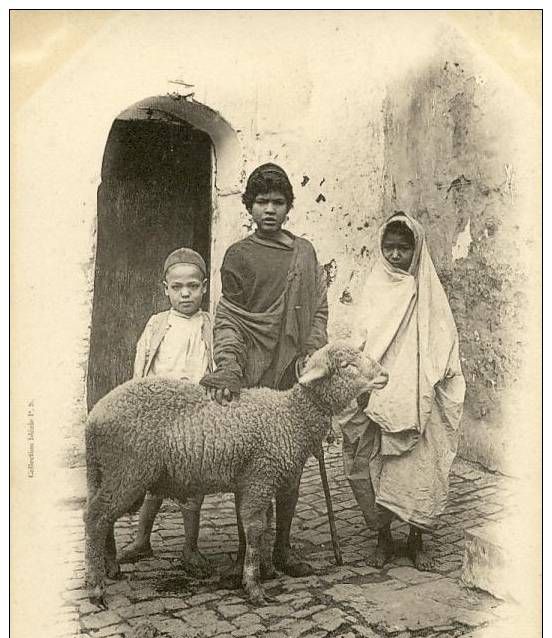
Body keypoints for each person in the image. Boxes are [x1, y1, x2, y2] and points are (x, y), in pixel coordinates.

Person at [200, 162, 328, 576]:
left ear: (289, 206)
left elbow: (319, 309)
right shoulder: (238, 256)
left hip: (293, 375)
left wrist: (311, 350)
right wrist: (230, 367)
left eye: (277, 202)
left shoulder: (305, 252)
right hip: (253, 377)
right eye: (261, 202)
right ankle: (246, 551)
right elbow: (230, 319)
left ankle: (283, 549)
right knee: (251, 470)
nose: (269, 210)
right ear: (248, 207)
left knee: (290, 466)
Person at [340, 212, 466, 569]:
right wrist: (362, 379)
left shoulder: (428, 292)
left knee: (417, 466)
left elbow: (444, 339)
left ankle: (416, 538)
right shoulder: (374, 287)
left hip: (417, 395)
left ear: (417, 250)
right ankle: (382, 536)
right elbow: (362, 336)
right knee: (373, 464)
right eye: (389, 247)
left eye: (403, 248)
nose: (395, 255)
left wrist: (434, 376)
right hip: (380, 391)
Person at [119, 247, 213, 577]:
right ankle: (142, 539)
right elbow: (142, 365)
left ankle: (190, 548)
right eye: (177, 287)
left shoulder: (210, 327)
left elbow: (214, 368)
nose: (185, 293)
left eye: (193, 286)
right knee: (152, 481)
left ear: (204, 286)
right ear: (165, 288)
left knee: (192, 484)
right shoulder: (158, 324)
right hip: (159, 414)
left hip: (193, 416)